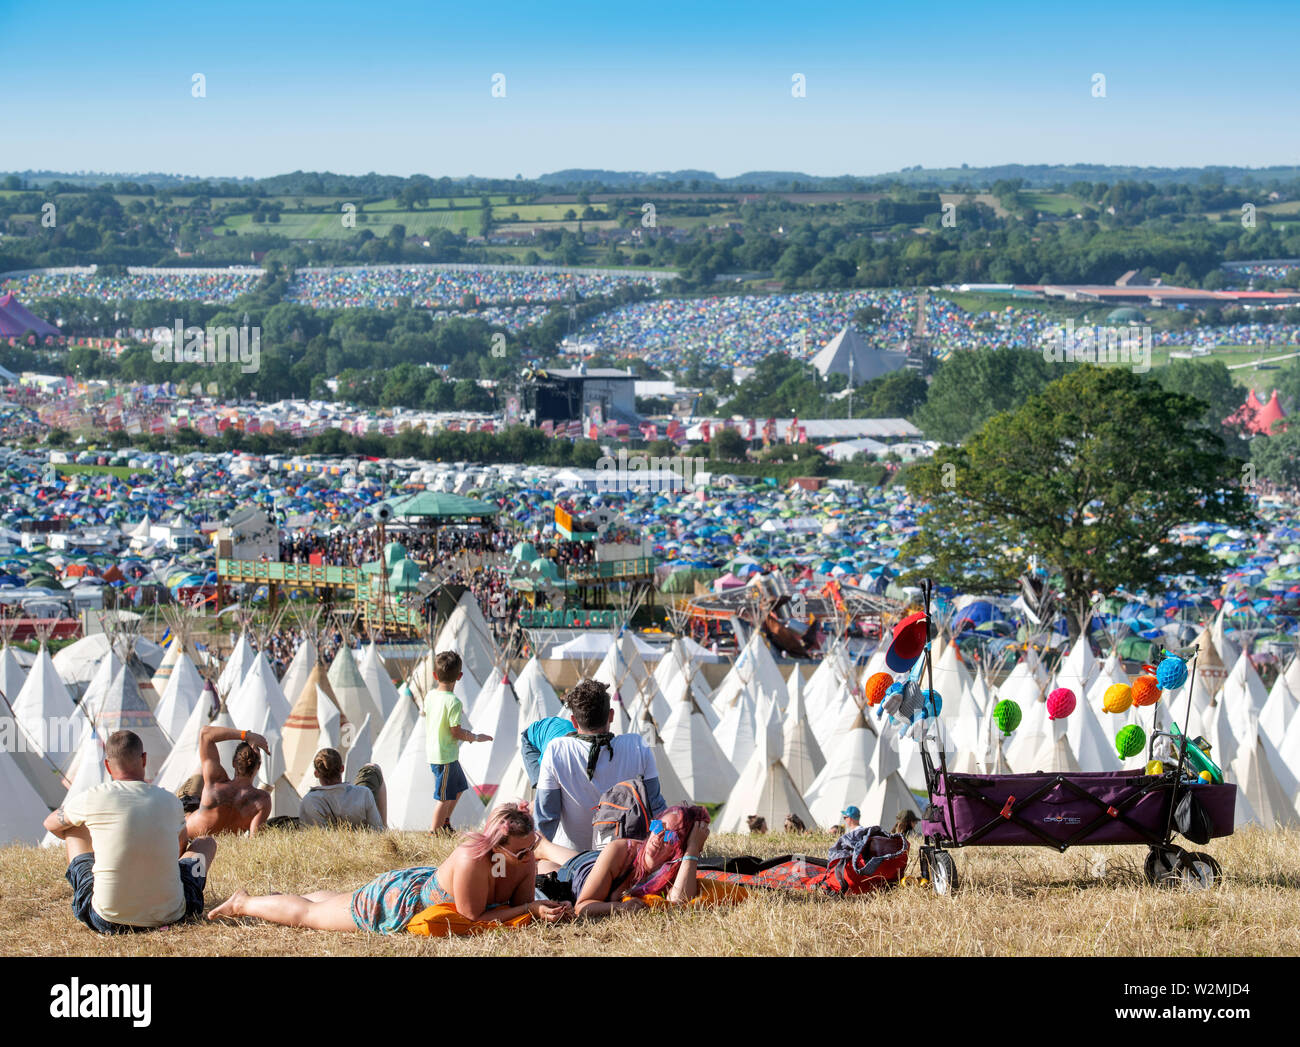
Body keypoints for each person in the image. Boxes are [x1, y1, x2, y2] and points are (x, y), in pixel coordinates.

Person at [208, 803, 570, 933]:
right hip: (398, 903)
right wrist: (529, 909)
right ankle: (243, 903)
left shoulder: (522, 855)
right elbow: (475, 918)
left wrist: (538, 910)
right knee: (311, 915)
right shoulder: (472, 858)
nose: (529, 860)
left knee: (328, 903)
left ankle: (274, 900)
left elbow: (518, 908)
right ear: (497, 847)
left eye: (531, 851)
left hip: (415, 887)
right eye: (521, 854)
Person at [43, 730, 216, 935]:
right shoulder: (171, 801)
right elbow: (180, 845)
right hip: (173, 914)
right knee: (206, 844)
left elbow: (51, 823)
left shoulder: (92, 797)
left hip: (107, 919)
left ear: (107, 765)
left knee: (72, 826)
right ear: (144, 759)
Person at [536, 679, 666, 850]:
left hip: (572, 859)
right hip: (626, 857)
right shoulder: (638, 746)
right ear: (611, 715)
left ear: (574, 722)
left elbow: (546, 818)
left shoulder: (556, 750)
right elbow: (657, 808)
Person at [534, 805, 710, 917]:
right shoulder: (621, 849)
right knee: (541, 867)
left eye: (670, 836)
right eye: (657, 826)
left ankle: (544, 846)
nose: (657, 838)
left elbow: (679, 903)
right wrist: (620, 907)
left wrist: (692, 848)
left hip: (602, 865)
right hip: (578, 873)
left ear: (681, 849)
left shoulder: (674, 868)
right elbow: (582, 907)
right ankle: (541, 845)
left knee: (582, 861)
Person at [423, 651, 491, 832]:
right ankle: (434, 832)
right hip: (444, 756)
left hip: (441, 753)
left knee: (460, 786)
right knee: (444, 797)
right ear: (459, 676)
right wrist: (475, 737)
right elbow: (455, 732)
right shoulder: (453, 702)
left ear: (434, 675)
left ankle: (445, 821)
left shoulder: (430, 696)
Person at [184, 724, 272, 840]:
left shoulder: (216, 781)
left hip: (188, 833)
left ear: (234, 762)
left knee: (200, 771)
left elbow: (205, 733)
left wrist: (247, 735)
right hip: (215, 844)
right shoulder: (262, 800)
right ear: (258, 766)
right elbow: (255, 839)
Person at [299, 748, 385, 830]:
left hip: (330, 842)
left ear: (316, 773)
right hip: (362, 841)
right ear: (342, 768)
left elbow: (311, 834)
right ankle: (386, 826)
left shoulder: (310, 800)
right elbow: (377, 830)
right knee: (372, 767)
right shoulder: (364, 793)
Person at [519, 703, 573, 788]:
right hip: (530, 739)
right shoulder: (552, 752)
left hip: (555, 729)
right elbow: (545, 779)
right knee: (542, 784)